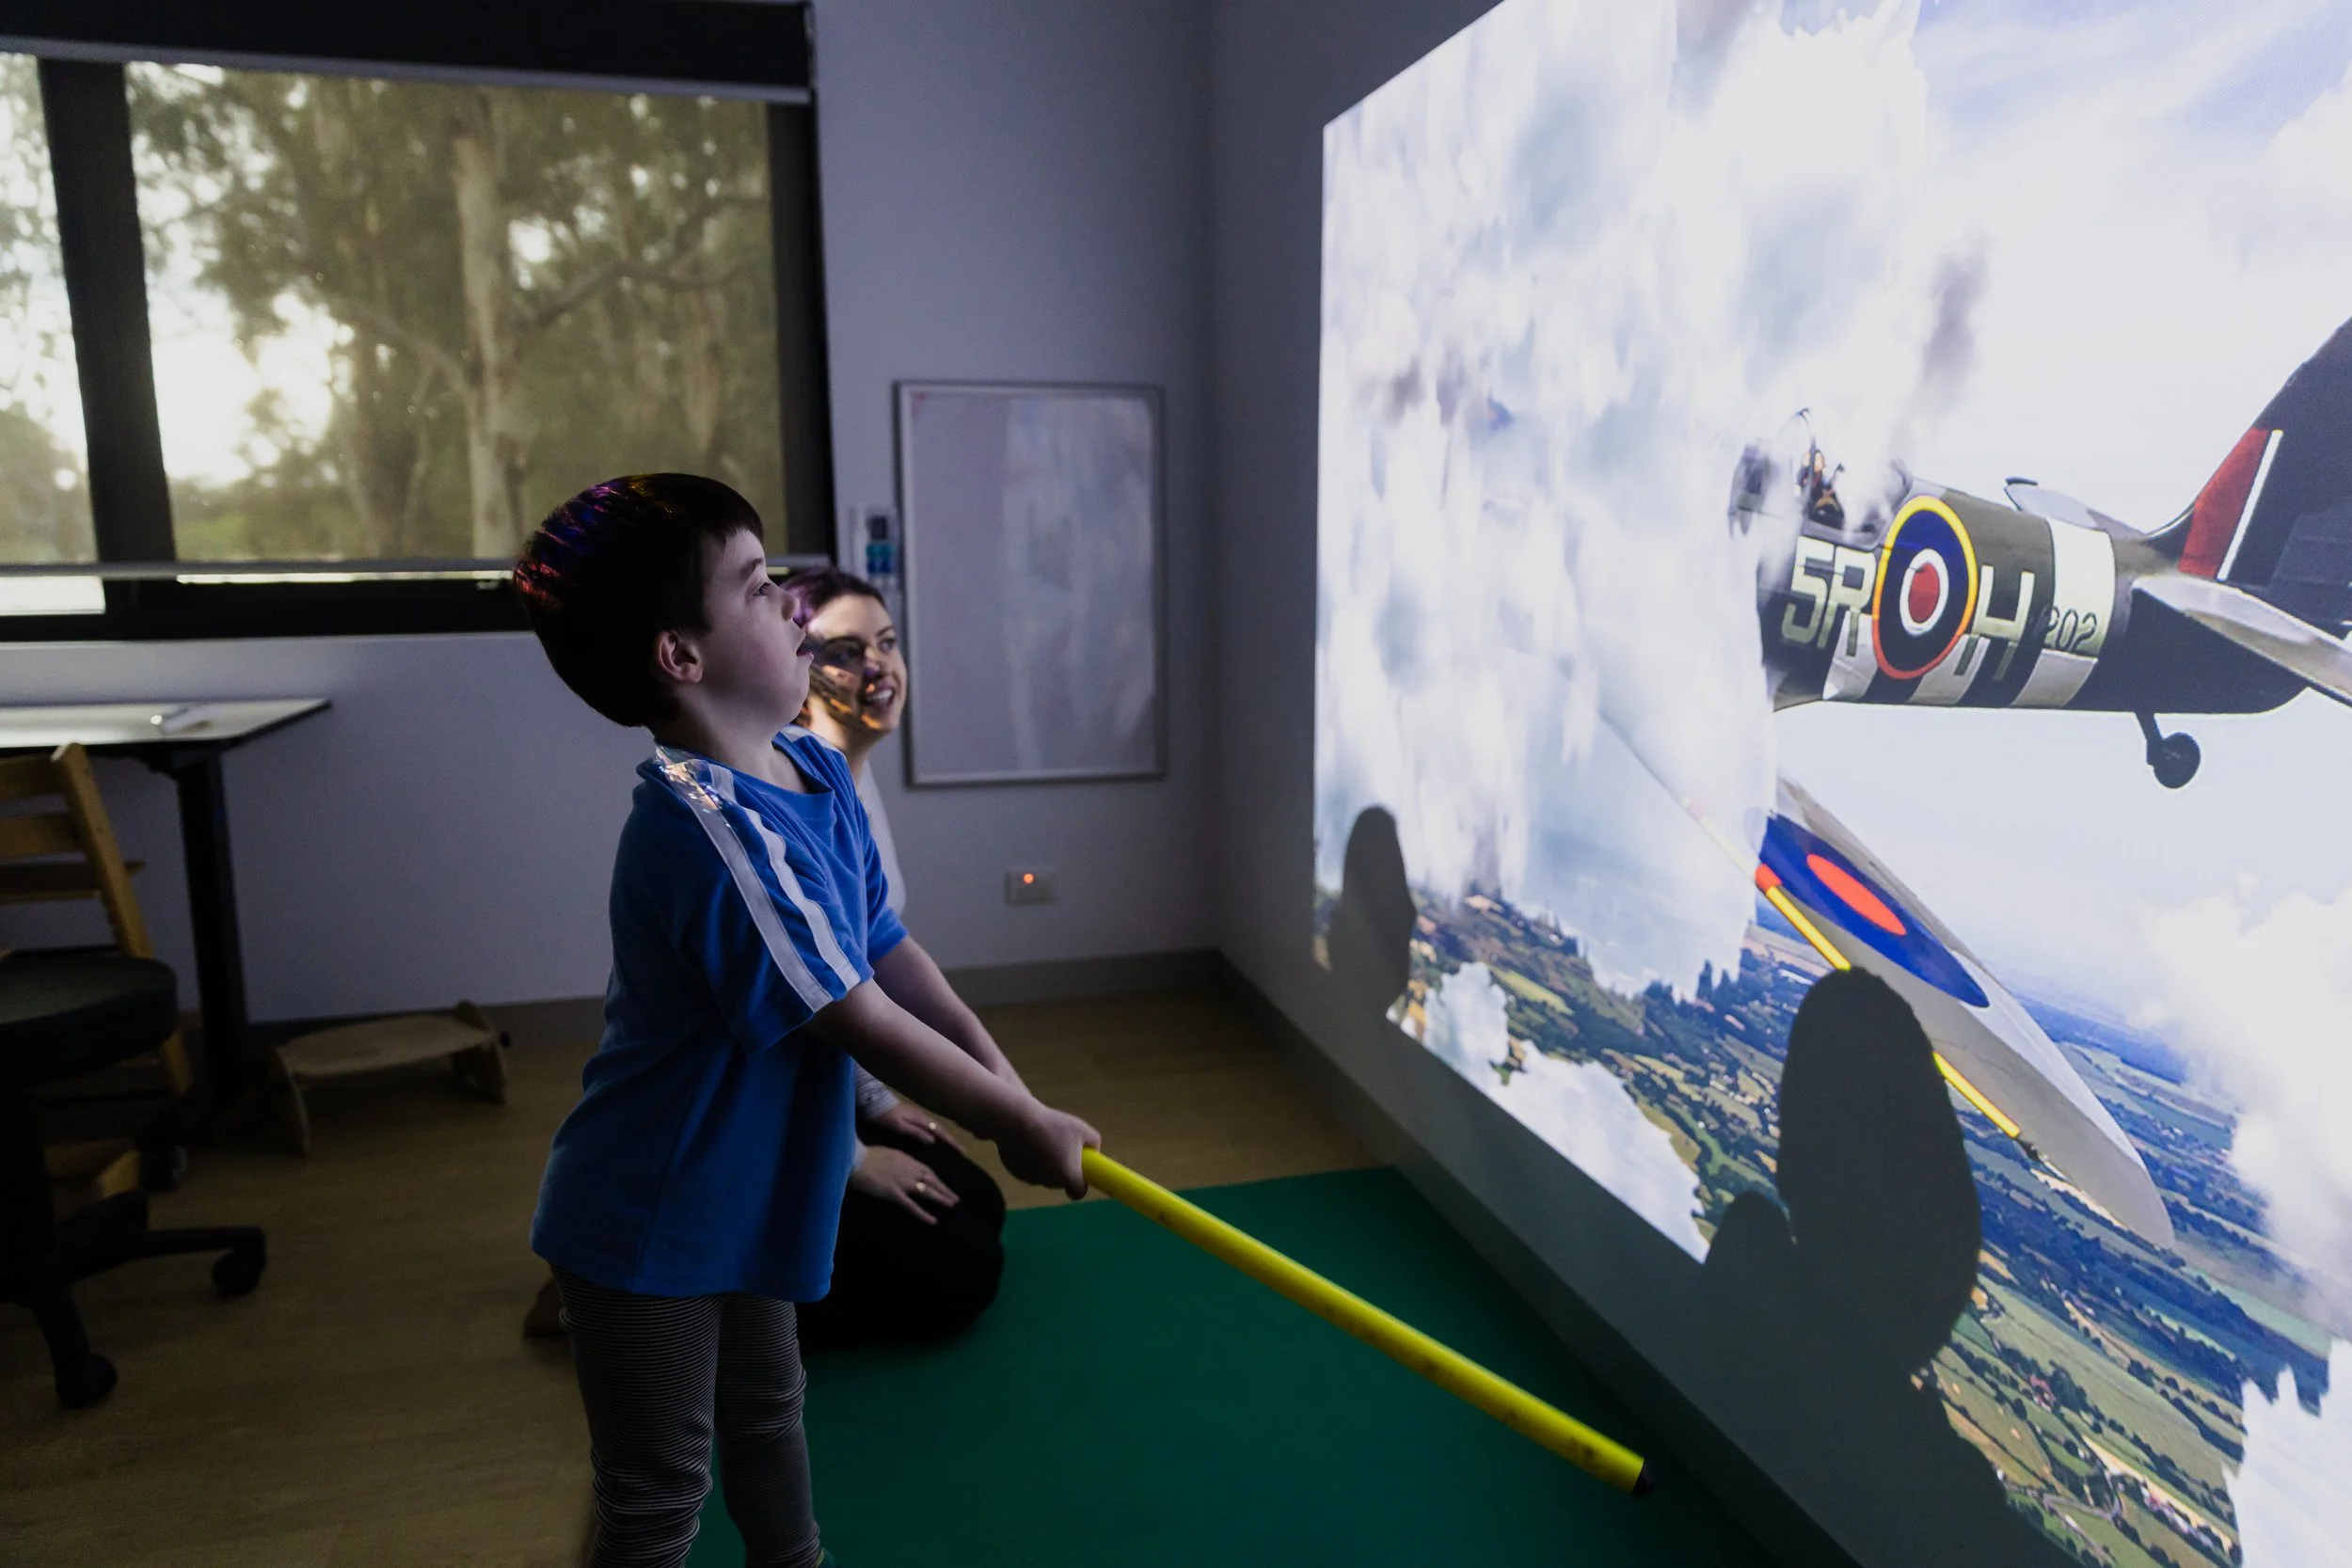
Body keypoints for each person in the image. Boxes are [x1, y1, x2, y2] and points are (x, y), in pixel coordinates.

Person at [511, 474, 1098, 1568]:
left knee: (769, 1408)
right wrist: (1010, 1124)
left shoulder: (814, 768)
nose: (790, 601)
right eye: (753, 585)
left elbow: (889, 951)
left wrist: (1015, 1097)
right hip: (651, 1221)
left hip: (757, 1191)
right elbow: (853, 1011)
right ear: (679, 655)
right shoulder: (710, 829)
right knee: (657, 1495)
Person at [781, 564, 1009, 1353]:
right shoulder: (793, 792)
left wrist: (876, 1103)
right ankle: (681, 1297)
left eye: (886, 642)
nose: (878, 667)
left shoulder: (851, 773)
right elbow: (818, 1008)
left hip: (826, 1083)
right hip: (769, 1106)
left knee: (980, 1202)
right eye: (846, 652)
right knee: (963, 1271)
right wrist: (851, 1158)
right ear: (798, 671)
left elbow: (875, 955)